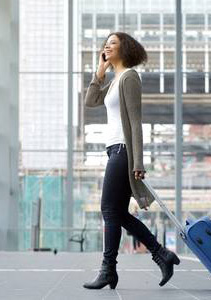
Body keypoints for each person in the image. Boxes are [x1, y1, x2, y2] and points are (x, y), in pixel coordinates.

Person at [83, 32, 180, 290]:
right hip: (114, 150)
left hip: (124, 151)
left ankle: (108, 270)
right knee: (117, 213)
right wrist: (100, 71)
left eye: (112, 43)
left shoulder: (129, 78)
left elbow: (136, 123)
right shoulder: (115, 81)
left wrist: (138, 161)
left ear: (124, 48)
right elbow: (90, 100)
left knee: (108, 209)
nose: (107, 45)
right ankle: (161, 254)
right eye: (106, 43)